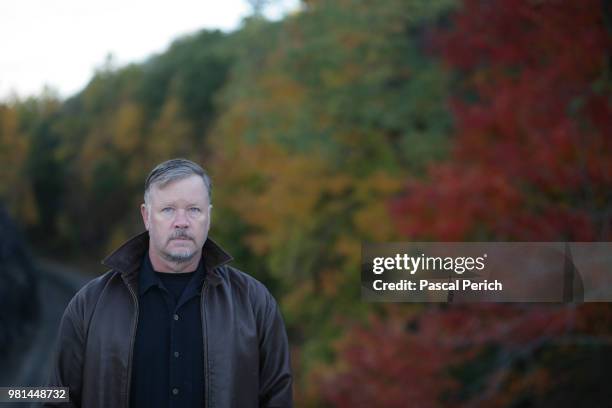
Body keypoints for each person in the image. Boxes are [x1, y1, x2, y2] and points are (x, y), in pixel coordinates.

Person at [46, 158, 293, 408]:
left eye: (194, 209)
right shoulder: (89, 304)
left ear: (209, 215)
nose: (182, 222)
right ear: (146, 216)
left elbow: (277, 397)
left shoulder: (254, 303)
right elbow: (57, 397)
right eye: (168, 209)